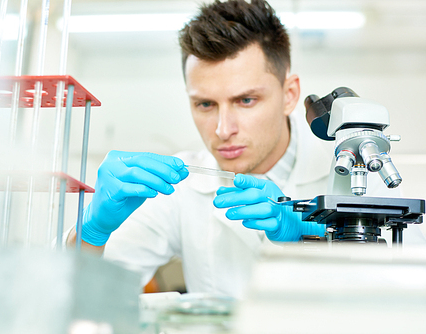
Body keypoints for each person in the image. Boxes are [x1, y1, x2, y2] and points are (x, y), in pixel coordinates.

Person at [66, 0, 418, 298]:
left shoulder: (356, 168)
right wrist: (90, 233)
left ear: (289, 95)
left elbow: (411, 290)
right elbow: (84, 297)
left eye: (246, 100)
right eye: (205, 105)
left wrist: (313, 234)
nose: (222, 129)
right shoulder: (180, 186)